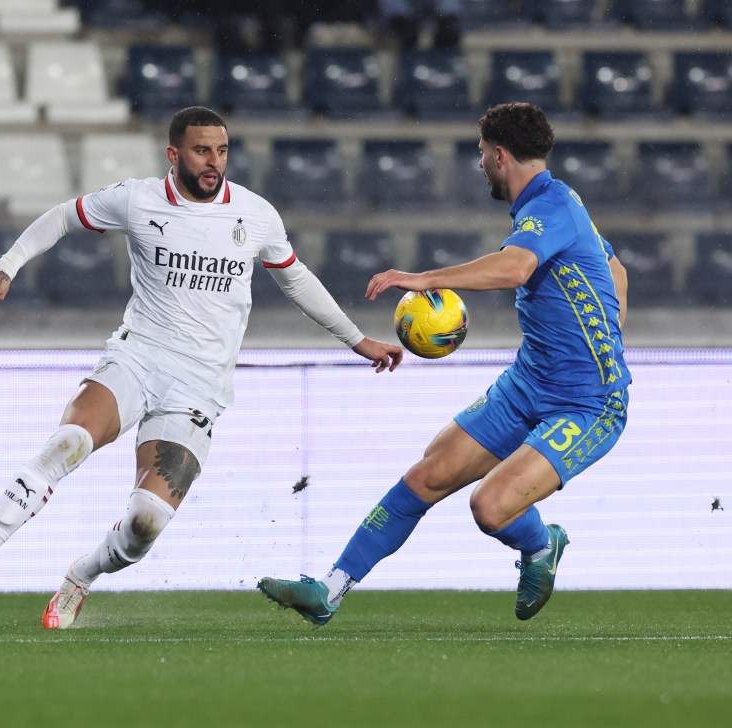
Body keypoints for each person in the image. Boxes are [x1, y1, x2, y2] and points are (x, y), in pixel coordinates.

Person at [0, 106, 404, 628]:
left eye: (221, 151)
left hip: (200, 386)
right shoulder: (137, 199)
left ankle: (81, 575)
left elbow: (295, 279)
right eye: (202, 151)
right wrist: (6, 266)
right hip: (138, 357)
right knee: (69, 441)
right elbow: (64, 215)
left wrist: (356, 339)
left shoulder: (255, 214)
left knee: (144, 525)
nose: (213, 162)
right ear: (174, 154)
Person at [258, 102, 630, 623]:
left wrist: (426, 279)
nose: (480, 164)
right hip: (529, 382)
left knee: (490, 507)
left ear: (500, 155)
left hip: (589, 403)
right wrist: (607, 331)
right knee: (427, 476)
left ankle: (543, 543)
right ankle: (330, 588)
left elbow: (517, 268)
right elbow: (616, 270)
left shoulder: (551, 207)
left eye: (482, 154)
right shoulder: (560, 205)